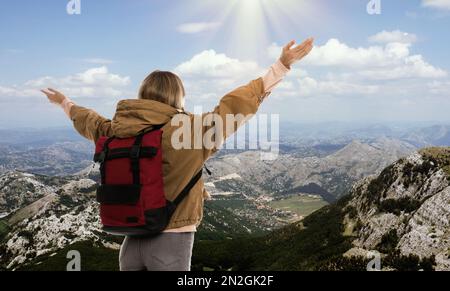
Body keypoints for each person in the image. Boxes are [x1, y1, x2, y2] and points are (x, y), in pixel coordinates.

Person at [41, 38, 314, 271]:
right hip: (170, 245)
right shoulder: (187, 131)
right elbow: (233, 107)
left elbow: (87, 120)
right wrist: (281, 66)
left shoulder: (113, 130)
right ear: (177, 99)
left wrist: (64, 102)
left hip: (130, 243)